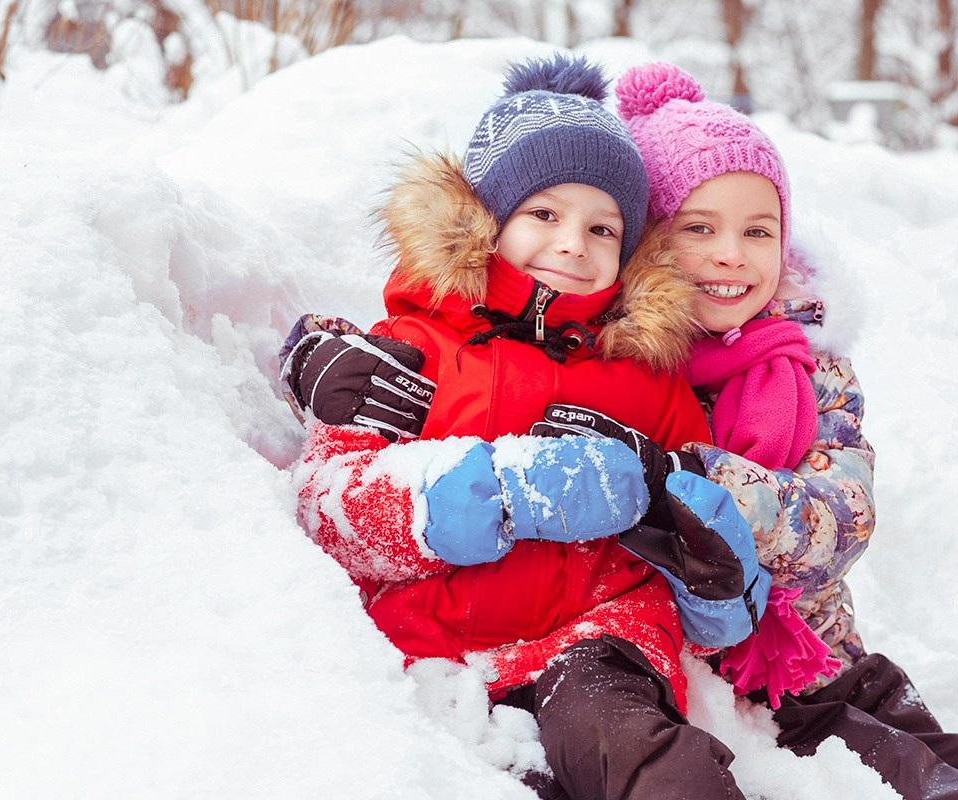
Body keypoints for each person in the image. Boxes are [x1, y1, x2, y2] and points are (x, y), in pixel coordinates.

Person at [536, 61, 958, 800]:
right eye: (699, 228)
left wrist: (683, 476)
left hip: (809, 660)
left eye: (758, 231)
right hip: (688, 677)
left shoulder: (807, 368)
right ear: (645, 244)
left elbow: (837, 521)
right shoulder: (608, 364)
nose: (733, 254)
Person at [281, 55, 776, 800]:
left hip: (600, 645)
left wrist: (712, 579)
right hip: (434, 652)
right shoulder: (412, 349)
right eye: (544, 215)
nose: (573, 244)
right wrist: (492, 493)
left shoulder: (652, 376)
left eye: (603, 226)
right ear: (487, 220)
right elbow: (330, 504)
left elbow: (695, 541)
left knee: (660, 770)